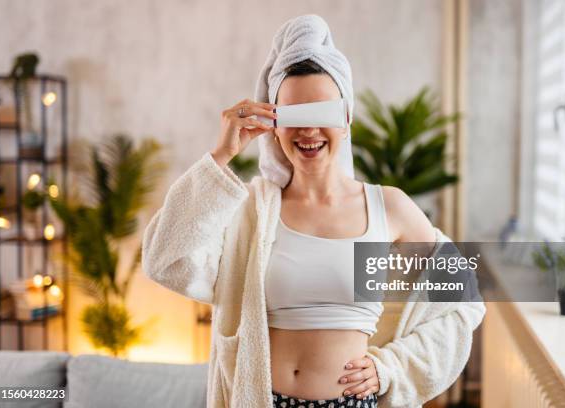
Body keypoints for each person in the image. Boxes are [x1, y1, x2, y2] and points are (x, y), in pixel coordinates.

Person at [142, 14, 485, 408]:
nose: (308, 132)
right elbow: (165, 261)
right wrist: (221, 156)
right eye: (293, 116)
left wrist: (393, 367)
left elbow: (463, 301)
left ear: (346, 118)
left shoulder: (387, 208)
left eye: (321, 114)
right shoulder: (253, 211)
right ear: (272, 123)